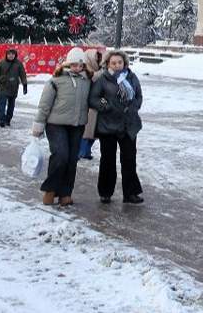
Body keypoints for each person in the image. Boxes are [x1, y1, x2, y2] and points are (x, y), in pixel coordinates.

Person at [31, 47, 91, 206]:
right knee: (61, 155)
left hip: (77, 126)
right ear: (67, 63)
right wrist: (38, 125)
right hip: (56, 125)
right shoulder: (55, 80)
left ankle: (65, 193)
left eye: (80, 65)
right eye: (74, 65)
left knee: (72, 160)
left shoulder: (87, 81)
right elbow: (44, 105)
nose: (77, 68)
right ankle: (50, 190)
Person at [89, 51, 144, 204]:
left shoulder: (131, 77)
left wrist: (133, 108)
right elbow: (93, 98)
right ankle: (105, 192)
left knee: (129, 159)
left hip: (128, 125)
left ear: (124, 63)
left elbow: (139, 96)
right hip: (108, 125)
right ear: (108, 64)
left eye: (120, 62)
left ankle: (130, 193)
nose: (117, 65)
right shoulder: (103, 79)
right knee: (108, 160)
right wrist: (105, 106)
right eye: (113, 63)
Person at [0, 48, 28, 127]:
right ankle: (1, 120)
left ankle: (8, 119)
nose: (11, 56)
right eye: (9, 54)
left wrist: (25, 85)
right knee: (2, 103)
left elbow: (23, 75)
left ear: (15, 55)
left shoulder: (18, 64)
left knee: (11, 105)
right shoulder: (1, 63)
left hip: (13, 87)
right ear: (6, 55)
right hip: (3, 86)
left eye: (13, 54)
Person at [78, 49, 103, 160]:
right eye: (96, 57)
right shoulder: (85, 68)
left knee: (93, 132)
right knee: (87, 131)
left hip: (96, 104)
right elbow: (92, 77)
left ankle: (86, 151)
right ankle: (82, 152)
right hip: (87, 105)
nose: (98, 59)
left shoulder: (98, 69)